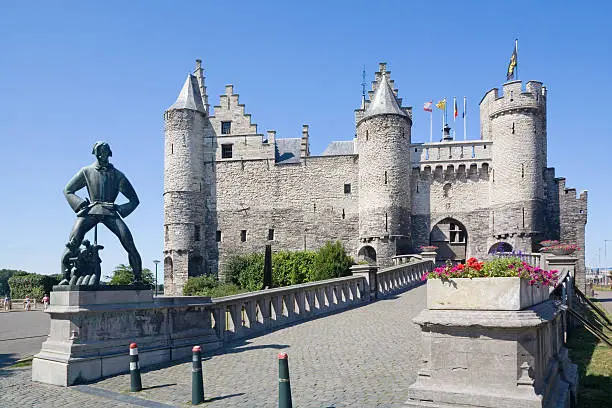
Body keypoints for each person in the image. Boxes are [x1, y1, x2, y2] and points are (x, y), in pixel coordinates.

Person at [60, 142, 142, 284]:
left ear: (109, 153)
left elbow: (134, 200)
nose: (102, 154)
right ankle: (66, 278)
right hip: (91, 210)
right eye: (99, 151)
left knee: (128, 242)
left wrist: (120, 209)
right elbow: (68, 190)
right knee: (73, 242)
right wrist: (80, 205)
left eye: (105, 151)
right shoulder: (86, 171)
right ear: (95, 153)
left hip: (110, 211)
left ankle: (138, 278)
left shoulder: (117, 175)